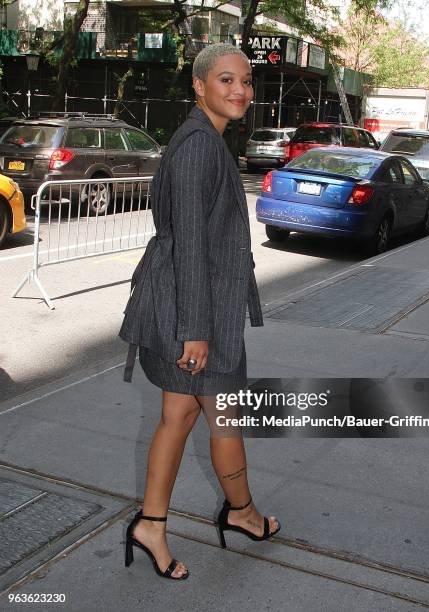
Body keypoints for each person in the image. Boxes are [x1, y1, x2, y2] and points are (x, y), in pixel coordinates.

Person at [119, 43, 280, 581]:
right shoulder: (196, 149)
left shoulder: (205, 142)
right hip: (193, 315)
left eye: (247, 82)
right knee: (224, 414)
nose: (241, 91)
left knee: (179, 416)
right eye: (227, 80)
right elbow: (188, 243)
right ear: (200, 85)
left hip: (195, 305)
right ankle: (242, 513)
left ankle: (152, 525)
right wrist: (195, 332)